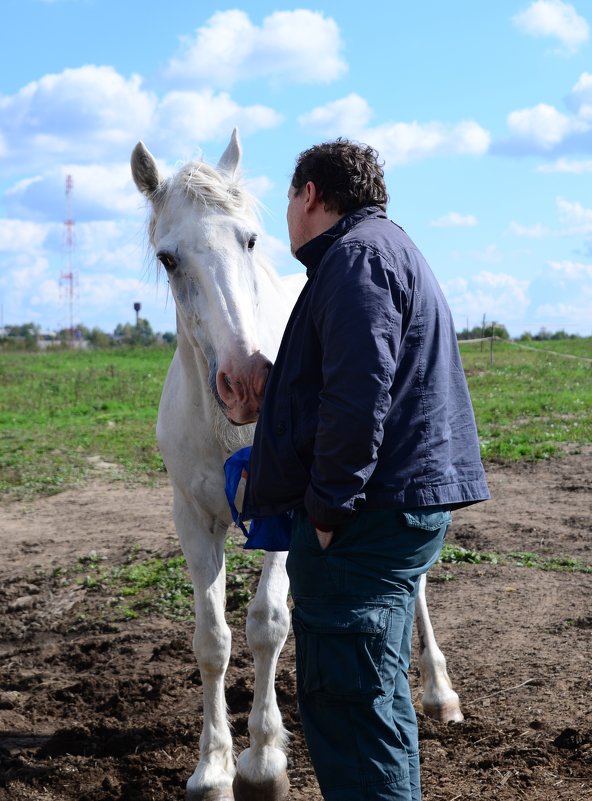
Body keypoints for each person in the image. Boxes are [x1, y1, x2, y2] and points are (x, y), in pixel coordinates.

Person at [242, 139, 490, 801]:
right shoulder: (378, 250)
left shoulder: (356, 260)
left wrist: (324, 513)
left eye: (289, 200)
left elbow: (359, 399)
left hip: (361, 523)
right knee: (372, 699)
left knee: (352, 707)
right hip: (383, 510)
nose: (287, 216)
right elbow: (351, 381)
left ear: (310, 195)